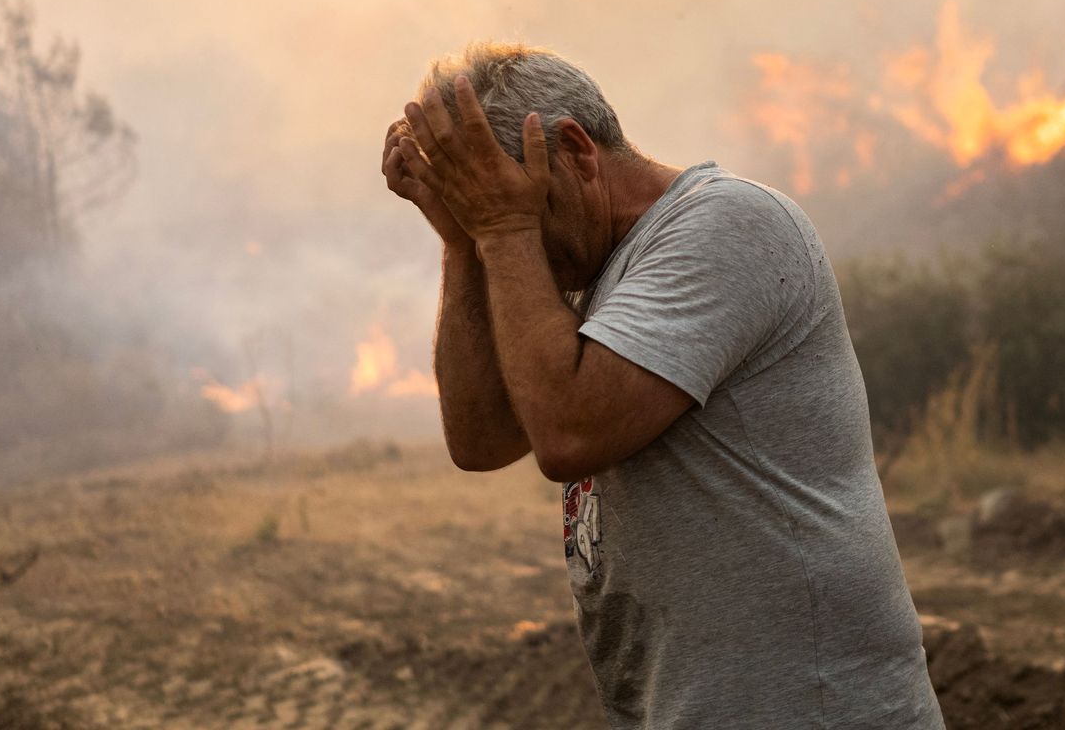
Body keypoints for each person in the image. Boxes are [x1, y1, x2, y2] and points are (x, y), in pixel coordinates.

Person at [380, 42, 943, 729]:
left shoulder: (726, 224)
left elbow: (568, 434)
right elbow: (481, 439)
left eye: (515, 203)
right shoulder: (599, 269)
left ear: (578, 153)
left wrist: (503, 229)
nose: (524, 256)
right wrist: (466, 241)